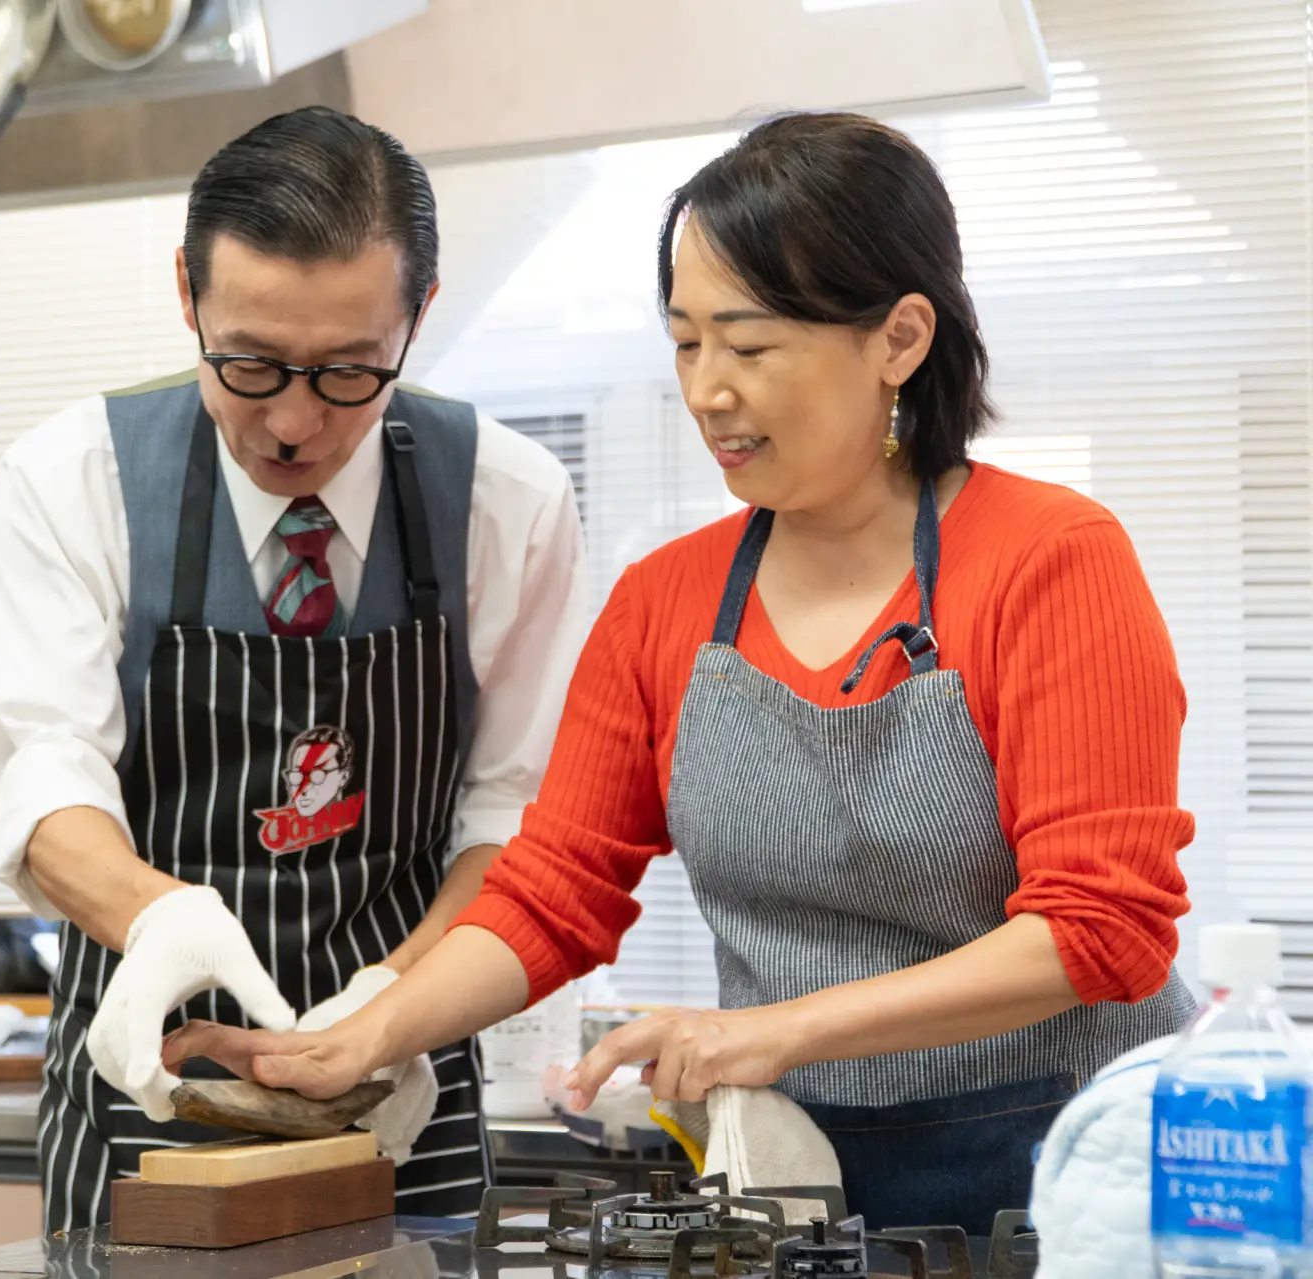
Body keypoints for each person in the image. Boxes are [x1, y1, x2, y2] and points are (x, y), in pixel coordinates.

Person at [165, 111, 1197, 1234]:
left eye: (749, 347)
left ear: (900, 338)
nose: (707, 390)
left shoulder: (1049, 561)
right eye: (686, 342)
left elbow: (1103, 929)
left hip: (1079, 1170)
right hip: (801, 1177)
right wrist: (364, 1034)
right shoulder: (667, 599)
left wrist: (778, 1027)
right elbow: (555, 889)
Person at [0, 105, 586, 1231]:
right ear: (187, 294)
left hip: (405, 1096)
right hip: (147, 1088)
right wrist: (162, 922)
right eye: (250, 364)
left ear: (419, 317)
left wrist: (395, 1007)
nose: (295, 423)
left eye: (351, 371)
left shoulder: (511, 501)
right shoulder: (70, 480)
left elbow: (515, 813)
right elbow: (47, 772)